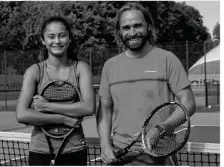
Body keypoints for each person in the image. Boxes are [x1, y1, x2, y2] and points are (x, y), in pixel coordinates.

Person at [97, 2, 196, 166]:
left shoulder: (167, 59)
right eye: (126, 27)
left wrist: (159, 130)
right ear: (119, 31)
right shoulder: (110, 66)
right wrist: (105, 144)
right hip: (121, 156)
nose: (132, 32)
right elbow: (105, 110)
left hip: (161, 153)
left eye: (137, 26)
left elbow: (188, 103)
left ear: (148, 26)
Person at [16, 16, 95, 166]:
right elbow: (21, 114)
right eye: (51, 36)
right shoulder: (34, 71)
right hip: (40, 151)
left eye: (62, 35)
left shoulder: (81, 68)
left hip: (75, 149)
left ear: (69, 38)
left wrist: (47, 106)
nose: (57, 41)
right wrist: (63, 119)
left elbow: (89, 107)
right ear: (43, 40)